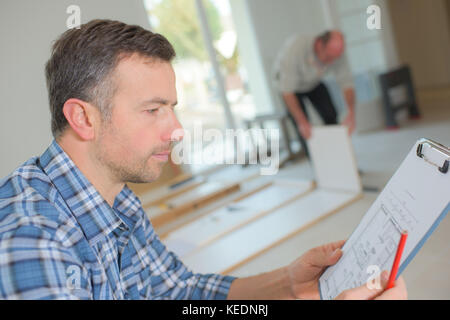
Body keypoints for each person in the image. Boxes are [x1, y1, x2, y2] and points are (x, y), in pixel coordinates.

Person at [0, 20, 406, 300]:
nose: (176, 129)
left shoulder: (118, 200)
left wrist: (289, 284)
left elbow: (182, 292)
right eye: (153, 109)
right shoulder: (33, 240)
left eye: (172, 107)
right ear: (83, 117)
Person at [274, 30, 356, 157]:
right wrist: (302, 122)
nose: (331, 62)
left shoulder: (337, 53)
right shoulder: (295, 49)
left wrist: (351, 112)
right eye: (329, 58)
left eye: (335, 58)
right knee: (304, 129)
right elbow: (287, 92)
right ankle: (319, 168)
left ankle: (341, 159)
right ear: (319, 45)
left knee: (331, 115)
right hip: (290, 89)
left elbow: (347, 84)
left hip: (313, 82)